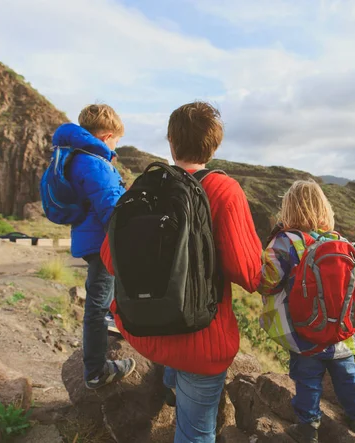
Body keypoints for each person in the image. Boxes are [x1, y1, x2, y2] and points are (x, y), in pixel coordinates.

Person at [100, 101, 262, 442]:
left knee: (175, 368)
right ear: (214, 146)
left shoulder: (145, 186)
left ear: (170, 142)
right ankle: (179, 390)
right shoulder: (224, 190)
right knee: (196, 434)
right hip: (199, 339)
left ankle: (172, 386)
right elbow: (248, 273)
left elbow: (110, 258)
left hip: (146, 328)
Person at [258, 180, 355, 443]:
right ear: (326, 209)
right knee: (348, 376)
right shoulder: (343, 243)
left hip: (304, 334)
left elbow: (267, 281)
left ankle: (309, 426)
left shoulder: (285, 242)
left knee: (307, 380)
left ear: (287, 209)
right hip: (341, 335)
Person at [52, 104, 136, 389]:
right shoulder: (95, 162)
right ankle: (96, 371)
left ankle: (112, 326)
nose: (116, 147)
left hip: (90, 238)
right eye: (116, 141)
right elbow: (111, 209)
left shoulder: (77, 157)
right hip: (102, 242)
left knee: (104, 297)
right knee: (98, 305)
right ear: (106, 136)